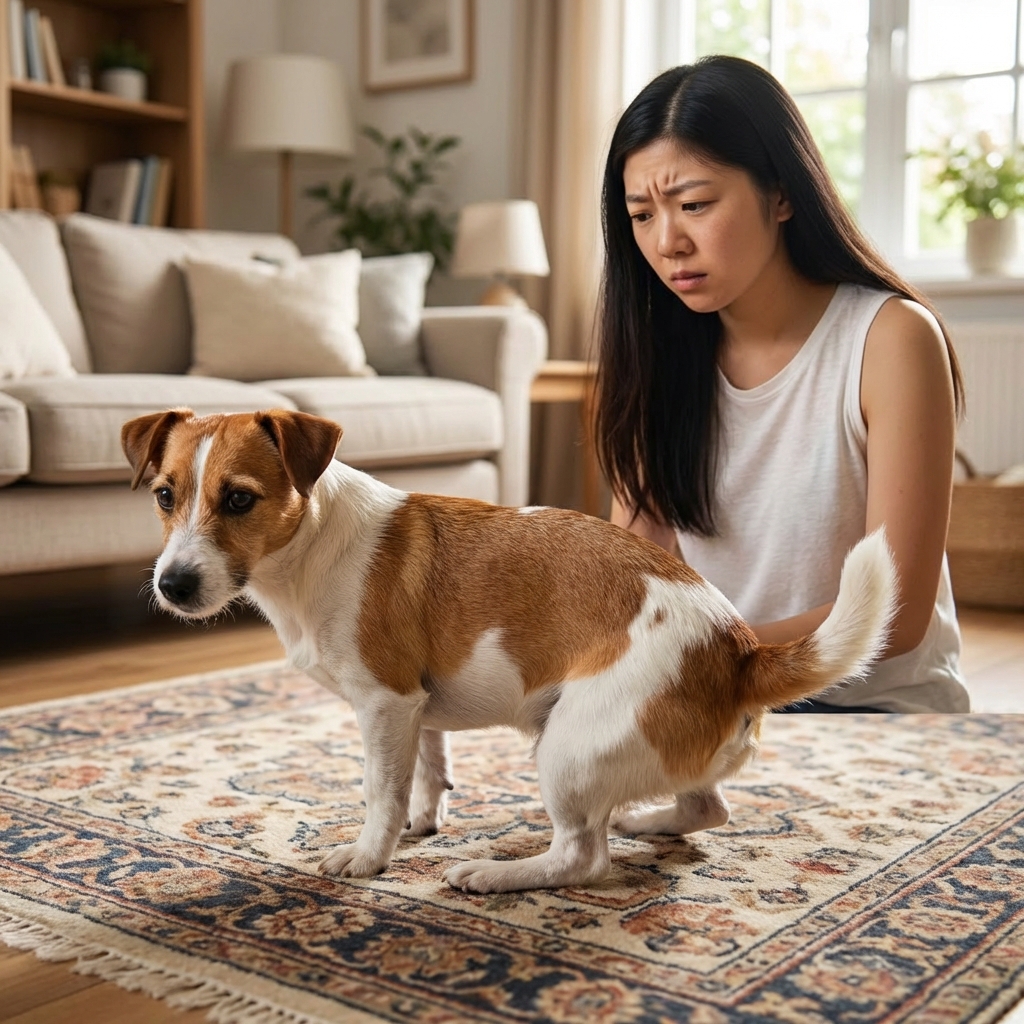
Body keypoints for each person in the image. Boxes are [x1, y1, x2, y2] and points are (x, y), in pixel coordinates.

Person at [595, 56, 969, 713]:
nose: (668, 242)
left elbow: (896, 614)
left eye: (694, 204)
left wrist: (704, 661)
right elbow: (630, 584)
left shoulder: (891, 339)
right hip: (716, 703)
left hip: (869, 706)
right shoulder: (658, 353)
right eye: (641, 215)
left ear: (781, 194)